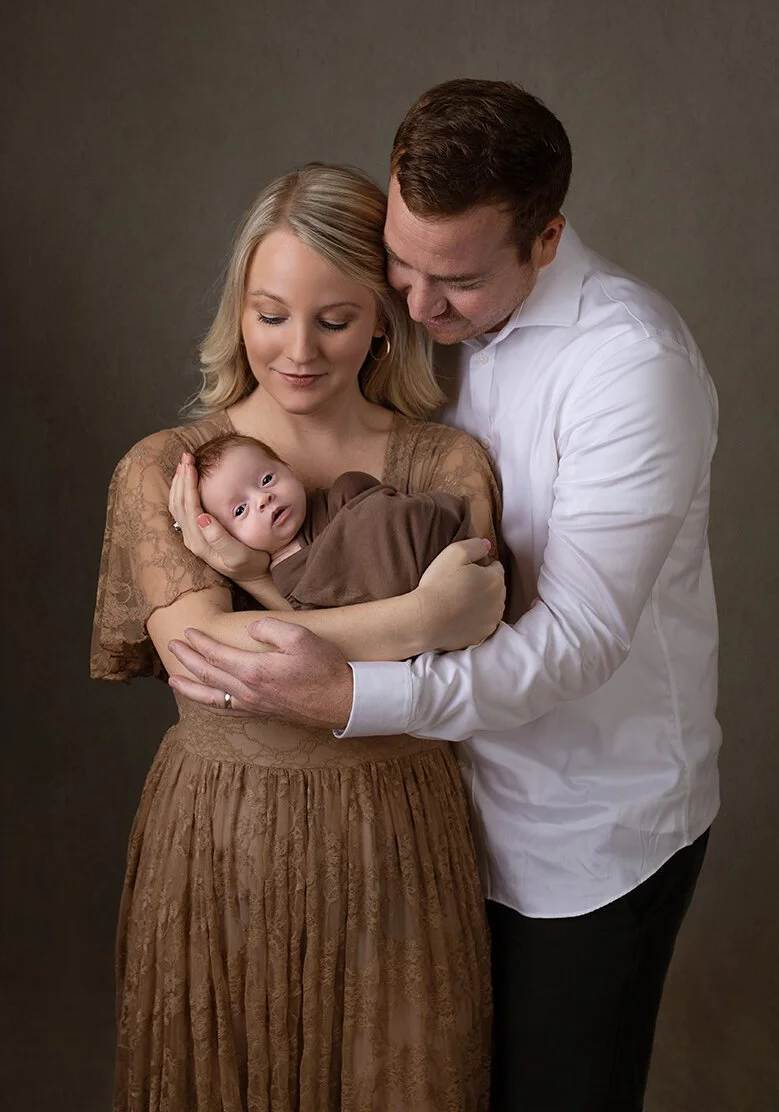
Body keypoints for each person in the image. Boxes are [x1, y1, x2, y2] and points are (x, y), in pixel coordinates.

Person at [169, 81, 722, 1112]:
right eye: (402, 265)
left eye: (457, 281)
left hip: (584, 831)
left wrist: (349, 695)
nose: (418, 309)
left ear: (546, 239)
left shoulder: (629, 369)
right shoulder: (415, 338)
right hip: (431, 826)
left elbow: (577, 640)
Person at [91, 162, 506, 1112]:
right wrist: (421, 618)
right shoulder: (166, 470)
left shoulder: (444, 461)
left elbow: (480, 642)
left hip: (400, 835)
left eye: (335, 319)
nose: (299, 350)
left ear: (384, 319)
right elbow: (208, 661)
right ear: (238, 311)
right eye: (271, 314)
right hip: (222, 836)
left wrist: (246, 584)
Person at [180, 429, 482, 611]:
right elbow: (329, 623)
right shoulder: (284, 580)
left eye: (267, 479)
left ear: (289, 470)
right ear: (226, 536)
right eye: (240, 510)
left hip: (424, 548)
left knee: (355, 488)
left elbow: (382, 512)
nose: (263, 498)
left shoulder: (336, 498)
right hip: (401, 604)